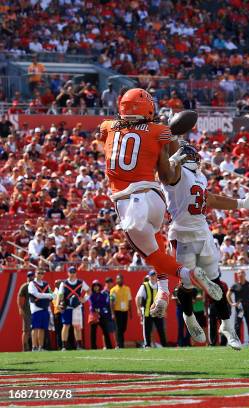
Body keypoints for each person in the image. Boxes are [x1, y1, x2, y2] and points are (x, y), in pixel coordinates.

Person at [100, 88, 217, 320]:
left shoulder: (107, 125)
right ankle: (163, 293)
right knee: (155, 243)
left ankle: (186, 275)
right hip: (154, 198)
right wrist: (170, 138)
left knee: (151, 253)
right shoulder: (160, 130)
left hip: (128, 199)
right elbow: (168, 174)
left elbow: (107, 135)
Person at [161, 142, 249, 349]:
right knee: (187, 286)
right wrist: (173, 159)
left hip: (203, 233)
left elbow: (210, 199)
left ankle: (226, 326)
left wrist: (241, 203)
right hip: (182, 234)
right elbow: (167, 176)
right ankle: (189, 317)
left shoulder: (199, 177)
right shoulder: (175, 171)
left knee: (218, 284)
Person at [58, 267, 90, 350]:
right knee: (66, 325)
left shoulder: (81, 282)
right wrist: (59, 304)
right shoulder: (63, 283)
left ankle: (79, 345)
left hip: (77, 307)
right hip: (67, 306)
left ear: (76, 273)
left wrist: (85, 299)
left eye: (74, 272)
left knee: (77, 326)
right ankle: (64, 346)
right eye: (70, 272)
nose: (72, 274)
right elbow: (60, 294)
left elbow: (89, 291)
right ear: (68, 273)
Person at [136, 271, 167, 348]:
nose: (153, 277)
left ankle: (164, 345)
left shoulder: (160, 285)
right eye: (152, 276)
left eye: (154, 275)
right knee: (147, 329)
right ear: (149, 277)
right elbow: (138, 297)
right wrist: (138, 309)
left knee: (161, 328)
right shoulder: (144, 286)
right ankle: (147, 344)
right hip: (147, 311)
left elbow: (164, 298)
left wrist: (164, 309)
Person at [28, 269, 54, 351]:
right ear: (35, 274)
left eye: (42, 273)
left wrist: (50, 295)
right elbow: (36, 295)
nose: (40, 274)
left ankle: (41, 347)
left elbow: (52, 294)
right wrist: (48, 295)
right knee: (35, 328)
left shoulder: (46, 284)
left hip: (45, 307)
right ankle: (34, 347)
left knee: (42, 328)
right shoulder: (32, 284)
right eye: (39, 273)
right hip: (36, 308)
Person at [228, 270, 249, 344]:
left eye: (242, 273)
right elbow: (228, 294)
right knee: (237, 325)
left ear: (245, 274)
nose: (240, 274)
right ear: (237, 275)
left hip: (248, 307)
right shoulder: (235, 285)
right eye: (239, 273)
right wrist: (232, 303)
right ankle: (237, 341)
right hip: (240, 309)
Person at [89, 280, 115, 349]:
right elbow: (92, 305)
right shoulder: (91, 295)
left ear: (99, 287)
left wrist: (102, 311)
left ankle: (109, 346)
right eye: (94, 286)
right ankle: (93, 347)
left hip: (102, 315)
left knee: (105, 331)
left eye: (97, 286)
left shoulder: (102, 295)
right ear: (93, 287)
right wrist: (98, 310)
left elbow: (104, 304)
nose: (96, 287)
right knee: (93, 332)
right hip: (94, 315)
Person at [109, 274, 132, 348]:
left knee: (124, 328)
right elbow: (111, 302)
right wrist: (112, 313)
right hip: (117, 311)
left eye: (120, 279)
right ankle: (120, 344)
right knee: (119, 328)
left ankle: (120, 342)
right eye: (118, 279)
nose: (119, 280)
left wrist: (130, 311)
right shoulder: (113, 290)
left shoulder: (127, 288)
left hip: (125, 311)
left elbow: (129, 300)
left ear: (123, 279)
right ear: (116, 280)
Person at [17, 271, 34, 351]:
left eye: (32, 276)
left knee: (36, 330)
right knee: (26, 330)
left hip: (36, 310)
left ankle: (35, 347)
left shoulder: (36, 285)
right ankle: (25, 348)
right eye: (29, 276)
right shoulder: (25, 286)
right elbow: (19, 298)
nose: (30, 277)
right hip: (27, 311)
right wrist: (20, 309)